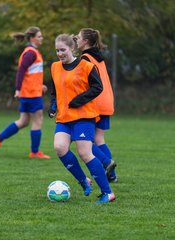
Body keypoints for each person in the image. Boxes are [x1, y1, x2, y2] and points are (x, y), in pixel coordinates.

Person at [48, 33, 116, 203]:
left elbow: (97, 87)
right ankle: (83, 181)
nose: (60, 54)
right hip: (64, 118)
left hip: (84, 117)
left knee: (85, 153)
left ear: (72, 48)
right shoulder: (55, 67)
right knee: (59, 148)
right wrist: (53, 106)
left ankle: (107, 192)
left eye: (63, 50)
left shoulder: (86, 66)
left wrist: (79, 100)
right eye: (57, 50)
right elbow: (55, 91)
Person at [0, 26, 50, 159]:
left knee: (23, 121)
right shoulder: (31, 53)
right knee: (38, 120)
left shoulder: (32, 52)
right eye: (40, 36)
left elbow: (30, 73)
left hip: (29, 91)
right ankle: (34, 152)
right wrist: (18, 89)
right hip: (31, 93)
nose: (42, 39)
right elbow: (21, 71)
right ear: (32, 38)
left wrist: (39, 85)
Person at [74, 28, 118, 182]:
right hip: (106, 100)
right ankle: (111, 175)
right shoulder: (98, 56)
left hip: (96, 103)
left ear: (85, 41)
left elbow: (84, 84)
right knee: (99, 139)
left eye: (78, 37)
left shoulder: (85, 58)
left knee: (84, 139)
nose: (76, 39)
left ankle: (107, 164)